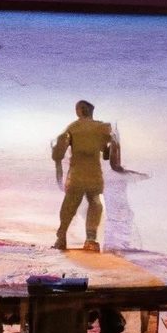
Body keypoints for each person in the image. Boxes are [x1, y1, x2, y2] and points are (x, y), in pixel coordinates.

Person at [52, 99, 115, 252]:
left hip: (77, 174)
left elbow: (58, 152)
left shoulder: (73, 128)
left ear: (79, 110)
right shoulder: (102, 127)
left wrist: (56, 155)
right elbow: (107, 154)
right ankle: (91, 239)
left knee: (69, 205)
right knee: (95, 202)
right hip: (94, 173)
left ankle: (61, 237)